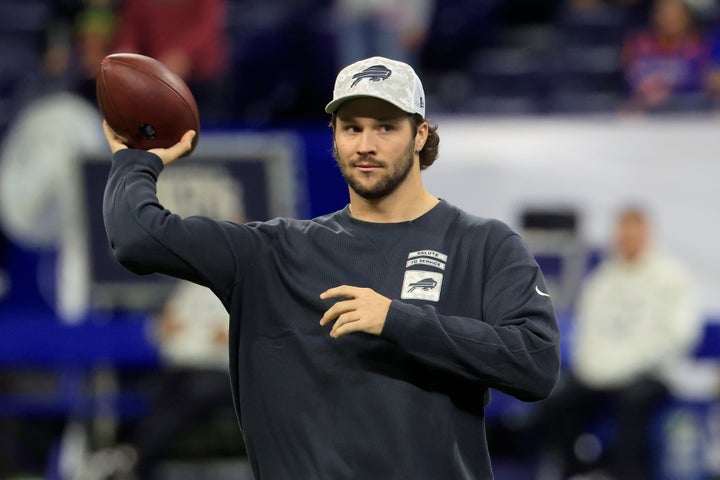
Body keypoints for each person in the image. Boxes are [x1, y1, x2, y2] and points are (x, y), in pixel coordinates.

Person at [101, 55, 561, 479]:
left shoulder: (482, 244)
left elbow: (536, 365)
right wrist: (137, 158)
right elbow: (137, 236)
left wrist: (397, 320)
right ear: (335, 137)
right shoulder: (275, 253)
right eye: (351, 128)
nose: (365, 144)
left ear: (420, 134)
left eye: (385, 127)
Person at [532, 206, 702, 480]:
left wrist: (626, 365)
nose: (627, 240)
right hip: (599, 372)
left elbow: (677, 335)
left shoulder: (671, 277)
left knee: (632, 406)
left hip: (649, 373)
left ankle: (629, 473)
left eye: (634, 234)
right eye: (623, 234)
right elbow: (586, 333)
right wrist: (596, 368)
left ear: (647, 235)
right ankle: (576, 469)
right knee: (553, 405)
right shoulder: (602, 280)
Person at [620, 0, 710, 113]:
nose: (669, 19)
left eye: (675, 15)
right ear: (655, 15)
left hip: (687, 113)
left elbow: (701, 84)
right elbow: (629, 79)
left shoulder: (697, 46)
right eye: (664, 13)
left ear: (687, 17)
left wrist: (667, 94)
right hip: (644, 111)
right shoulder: (639, 44)